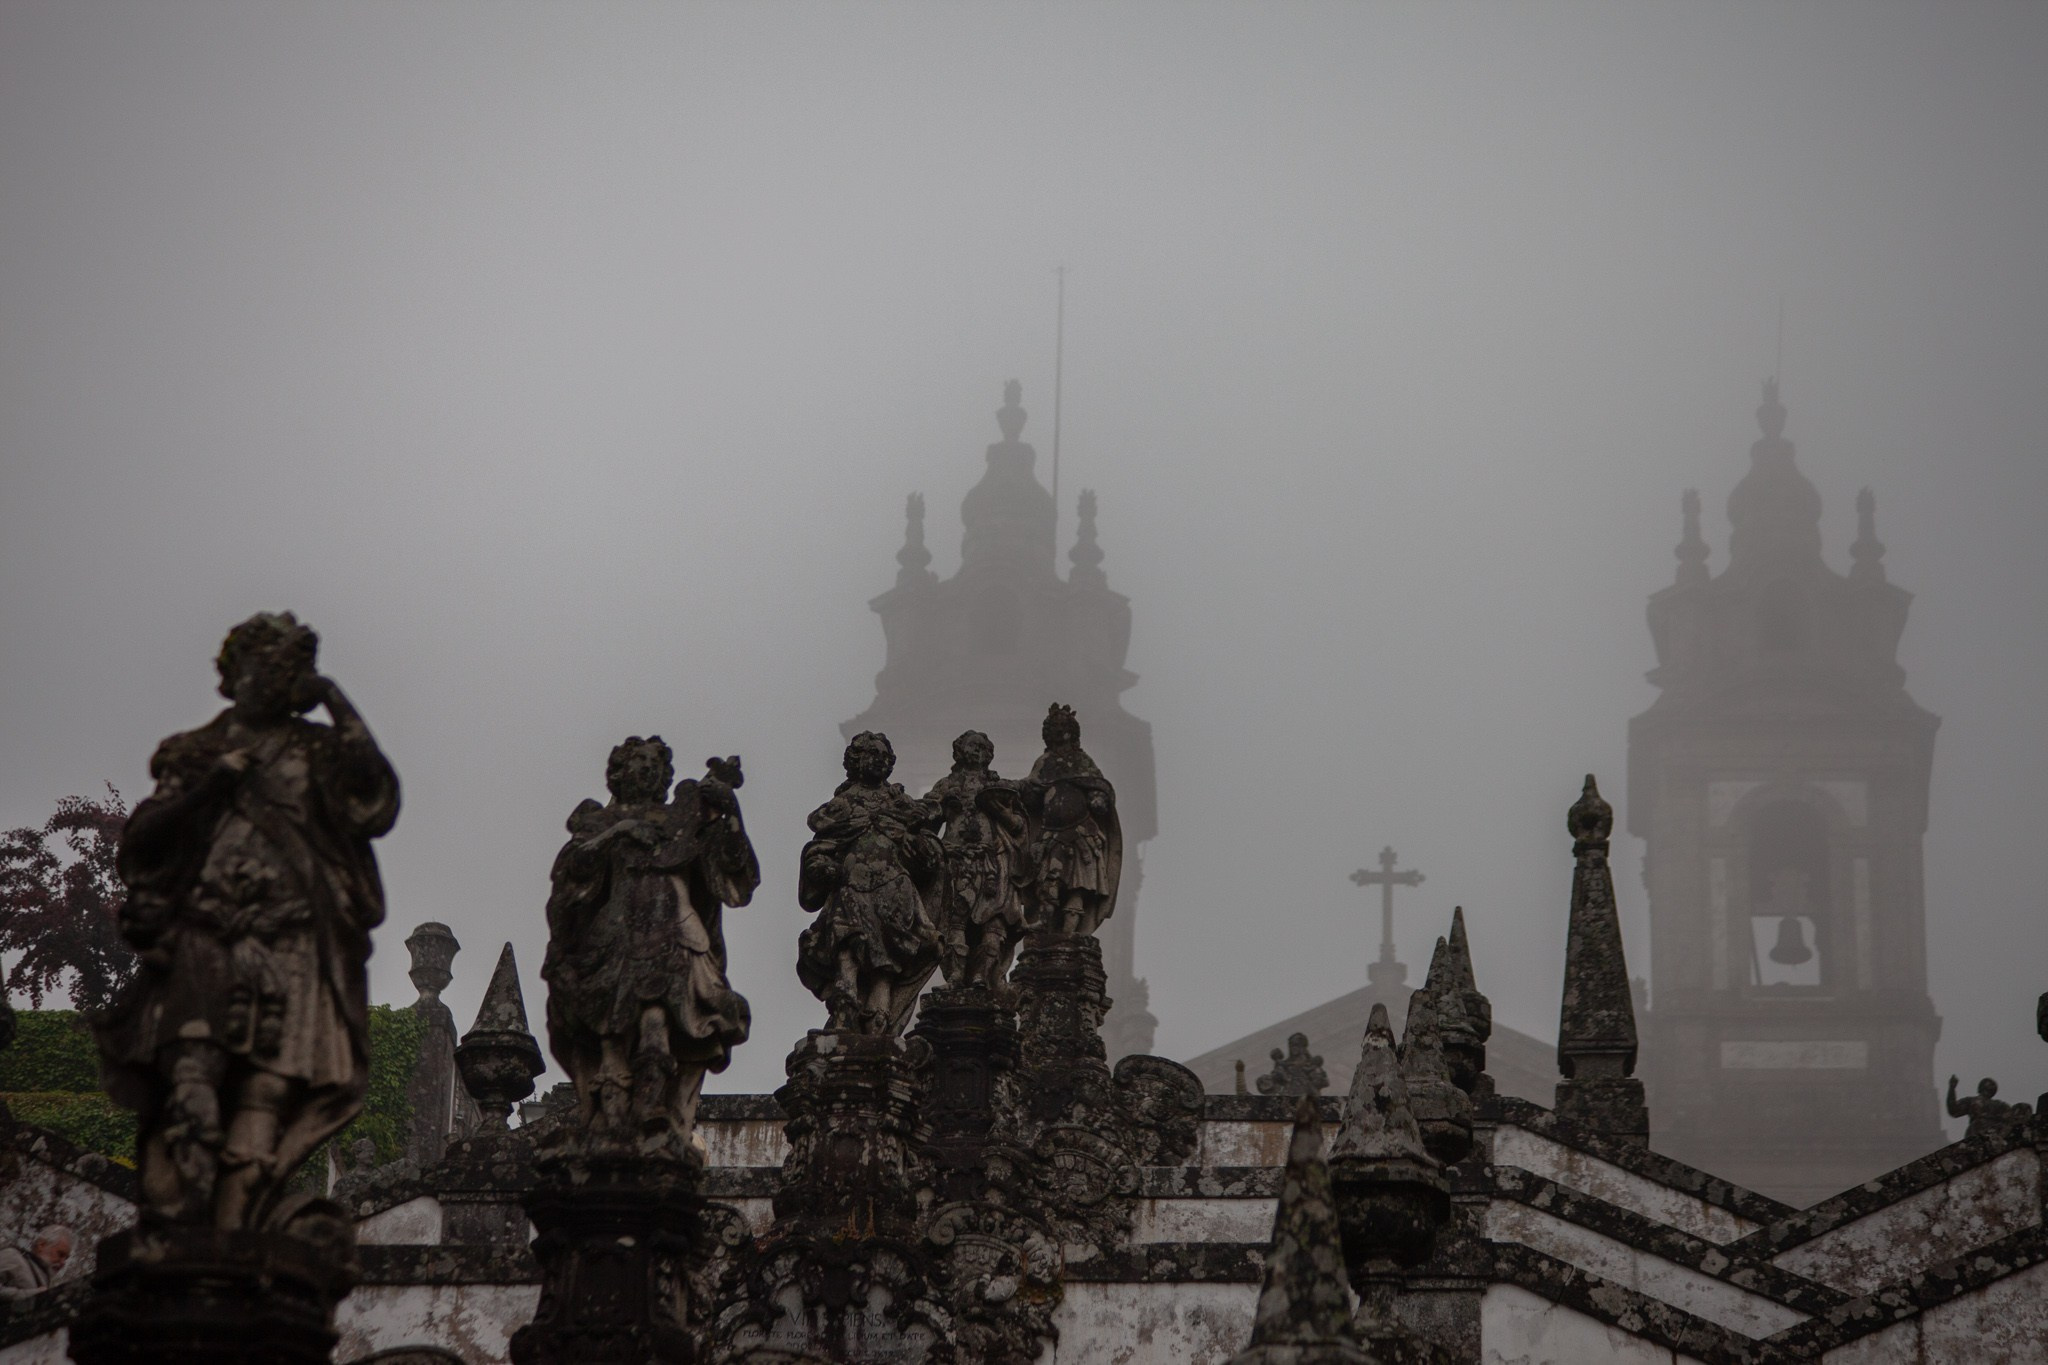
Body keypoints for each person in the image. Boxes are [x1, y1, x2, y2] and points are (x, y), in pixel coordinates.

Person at [95, 612, 399, 1230]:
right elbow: (142, 844)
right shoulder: (196, 752)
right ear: (234, 674)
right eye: (268, 666)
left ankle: (238, 1224)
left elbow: (373, 800)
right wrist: (210, 787)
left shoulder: (316, 750)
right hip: (207, 931)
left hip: (295, 937)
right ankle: (187, 1210)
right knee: (193, 1071)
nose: (278, 680)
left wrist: (333, 698)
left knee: (270, 1087)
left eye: (291, 670)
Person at [542, 738, 758, 1155]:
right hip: (614, 937)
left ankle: (653, 1109)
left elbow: (731, 871)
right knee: (611, 1031)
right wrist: (620, 831)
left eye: (654, 763)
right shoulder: (599, 820)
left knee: (658, 1022)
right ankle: (610, 1118)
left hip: (675, 934)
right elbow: (573, 872)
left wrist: (730, 810)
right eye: (637, 761)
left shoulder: (683, 820)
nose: (646, 769)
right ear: (618, 772)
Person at [797, 732, 944, 1035]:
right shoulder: (841, 807)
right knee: (845, 942)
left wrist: (918, 842)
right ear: (855, 760)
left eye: (884, 756)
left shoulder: (902, 804)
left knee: (887, 954)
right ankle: (844, 1006)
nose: (879, 760)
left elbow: (928, 857)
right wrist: (822, 867)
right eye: (871, 754)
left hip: (895, 887)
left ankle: (880, 1019)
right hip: (850, 886)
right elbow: (821, 847)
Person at [926, 731, 1029, 992]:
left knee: (994, 921)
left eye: (983, 747)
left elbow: (1018, 825)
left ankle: (982, 976)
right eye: (972, 746)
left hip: (992, 861)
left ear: (990, 754)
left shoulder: (999, 787)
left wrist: (1000, 810)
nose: (977, 751)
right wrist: (941, 806)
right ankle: (955, 976)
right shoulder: (946, 786)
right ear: (959, 751)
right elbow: (925, 821)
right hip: (955, 859)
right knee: (954, 920)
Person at [1021, 705, 1121, 937]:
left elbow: (1096, 785)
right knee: (1048, 884)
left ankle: (1070, 933)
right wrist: (1026, 793)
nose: (1058, 731)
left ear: (1072, 732)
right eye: (1054, 727)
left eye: (1063, 727)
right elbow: (1033, 793)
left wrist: (1098, 799)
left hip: (1081, 833)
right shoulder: (1044, 762)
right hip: (1051, 836)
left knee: (1079, 884)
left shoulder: (1082, 760)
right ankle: (1044, 929)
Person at [0, 1225, 73, 1300]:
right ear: (42, 1245)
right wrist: (32, 1295)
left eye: (66, 1258)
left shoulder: (45, 1279)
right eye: (60, 1254)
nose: (63, 1263)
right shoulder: (12, 1256)